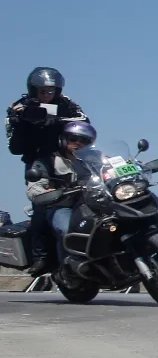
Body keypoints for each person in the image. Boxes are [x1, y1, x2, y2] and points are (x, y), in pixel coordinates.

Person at [6, 67, 89, 275]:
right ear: (33, 90)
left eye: (51, 91)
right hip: (38, 162)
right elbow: (14, 148)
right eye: (42, 91)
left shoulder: (67, 103)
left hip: (70, 156)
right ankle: (41, 256)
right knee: (42, 206)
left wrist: (58, 121)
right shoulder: (20, 107)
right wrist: (20, 124)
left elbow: (85, 122)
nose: (47, 95)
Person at [24, 121, 97, 275]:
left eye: (83, 140)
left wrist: (135, 166)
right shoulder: (48, 161)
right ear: (64, 139)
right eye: (73, 139)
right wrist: (46, 193)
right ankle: (67, 269)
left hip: (93, 205)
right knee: (67, 231)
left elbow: (115, 167)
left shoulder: (95, 159)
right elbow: (34, 187)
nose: (78, 143)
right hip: (63, 207)